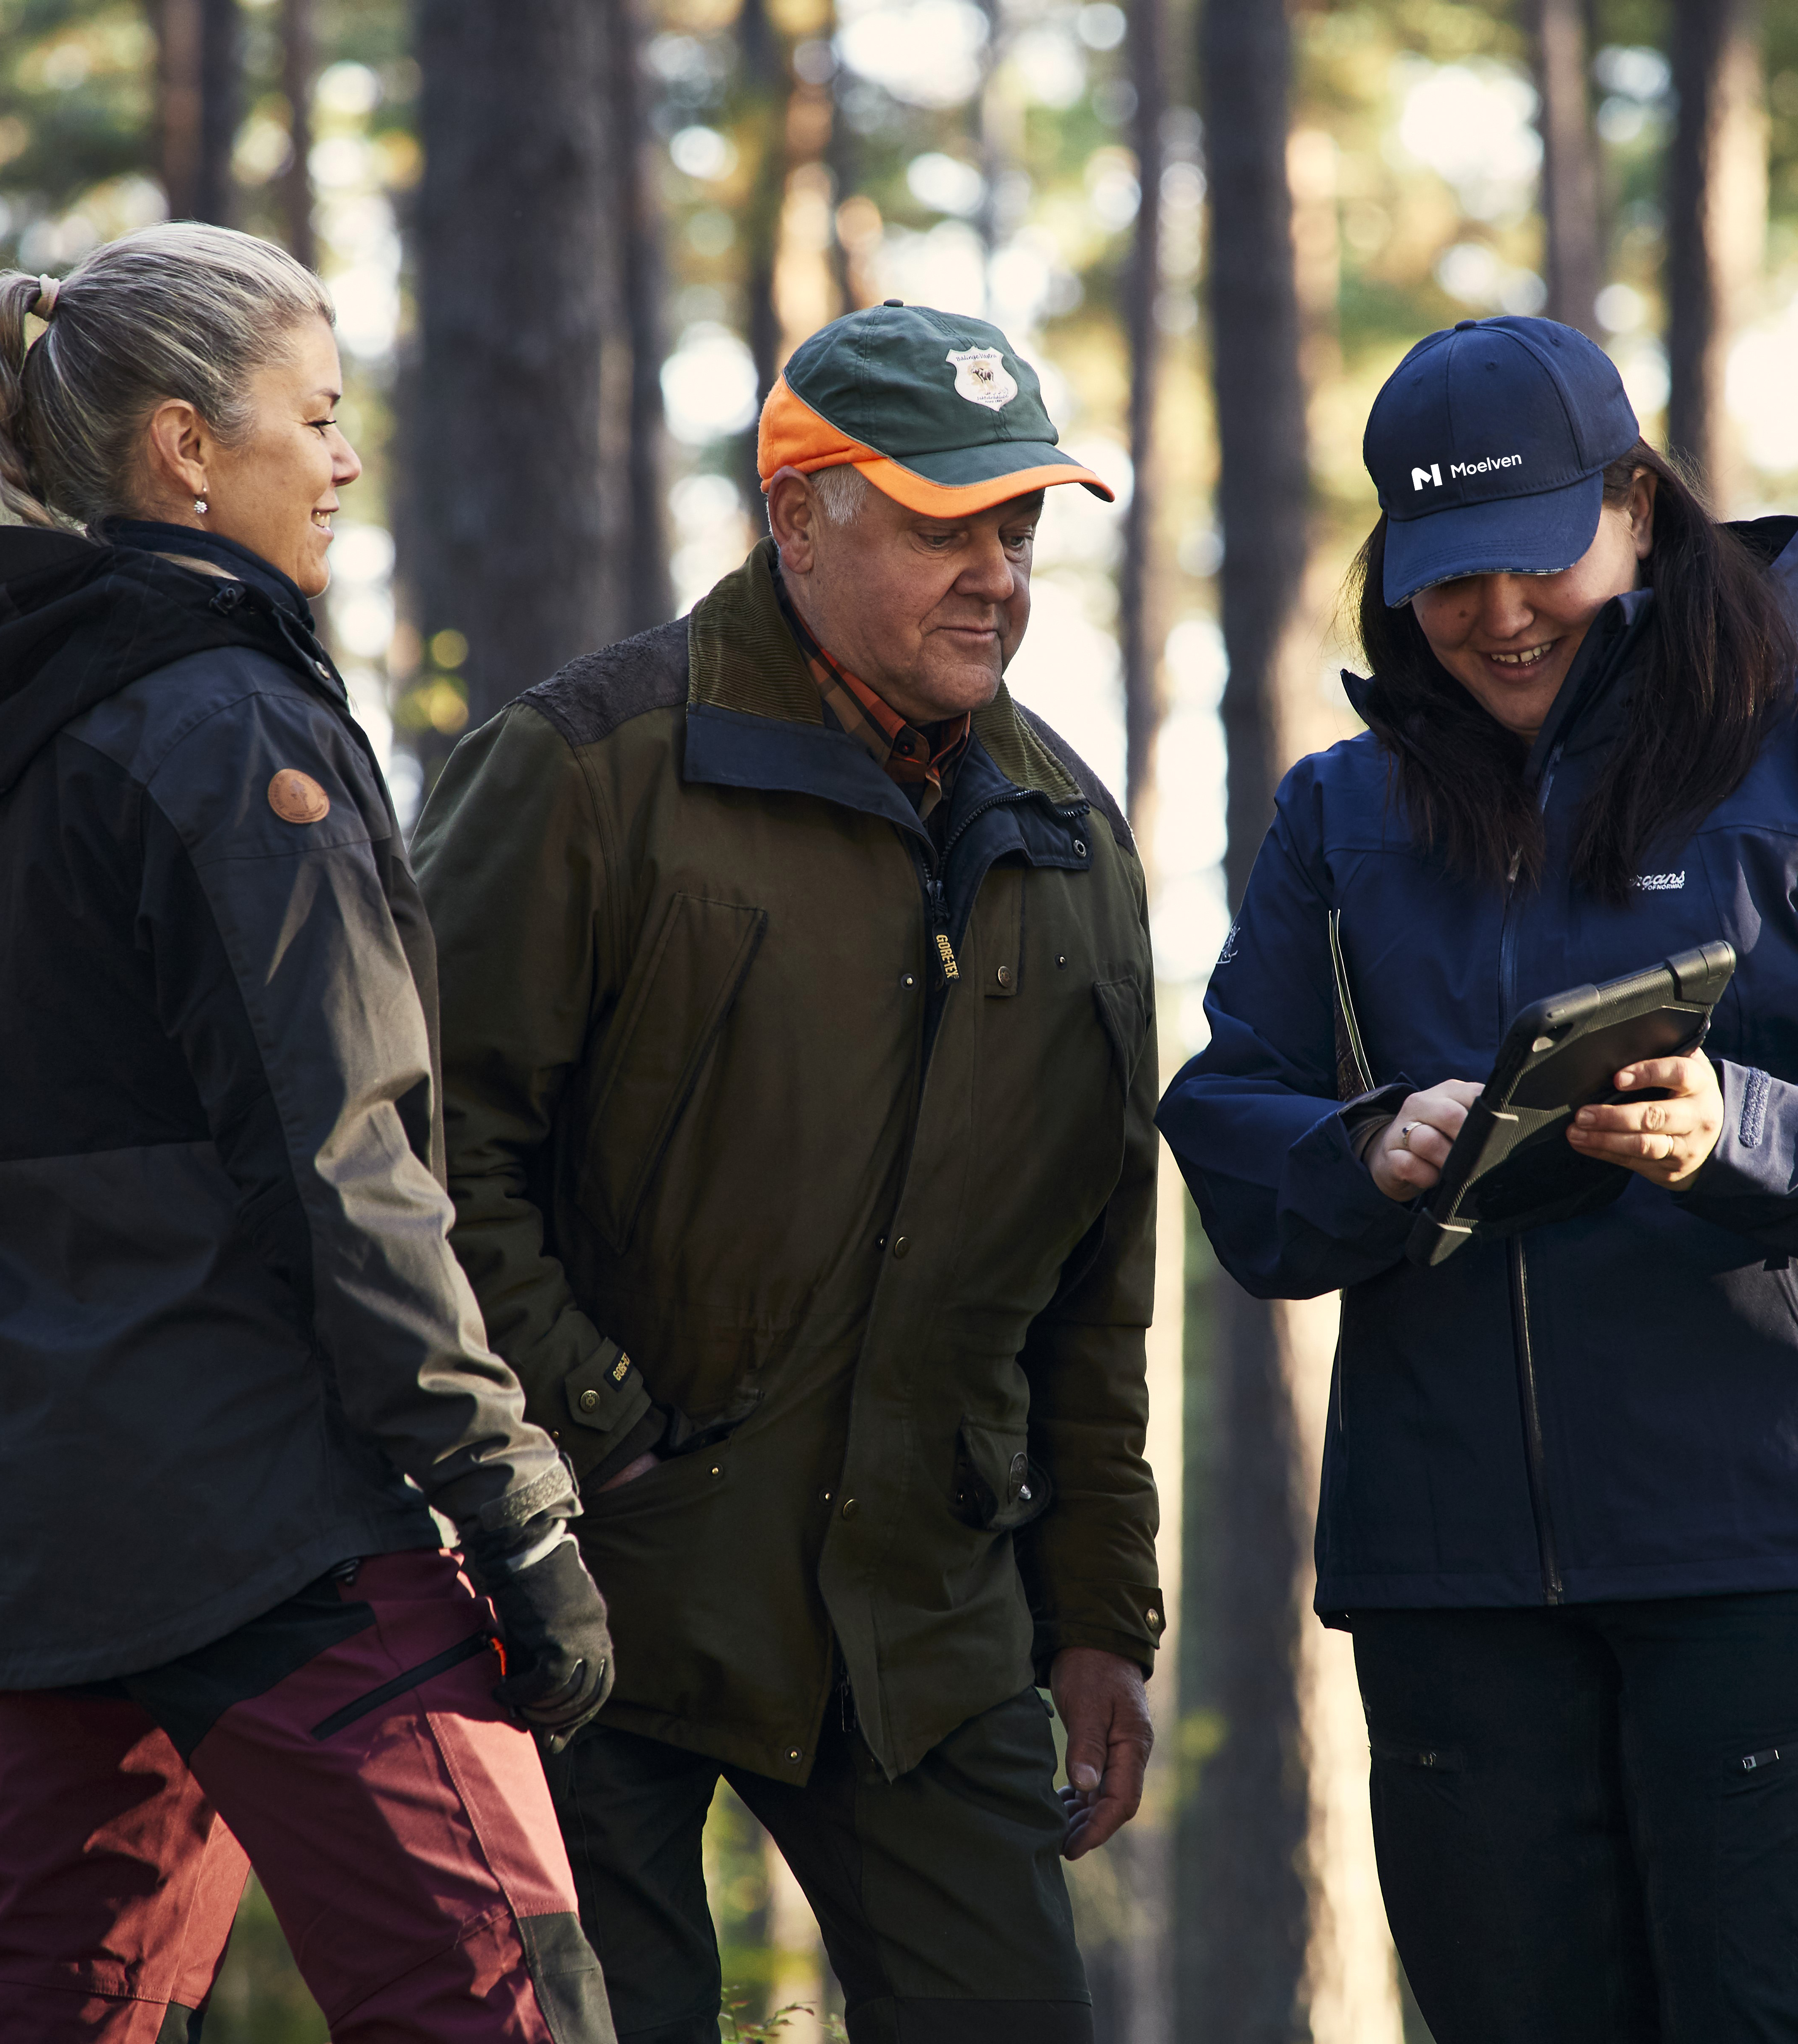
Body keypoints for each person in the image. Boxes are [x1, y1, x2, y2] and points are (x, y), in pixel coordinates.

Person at [1157, 316, 1798, 2041]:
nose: (1497, 617)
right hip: (1458, 1596)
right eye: (1447, 579)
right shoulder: (1339, 817)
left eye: (1533, 561)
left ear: (1639, 512)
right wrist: (1367, 1148)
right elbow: (1233, 1119)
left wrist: (1752, 1134)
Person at [0, 222, 620, 2044]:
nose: (348, 458)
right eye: (318, 414)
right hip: (289, 1519)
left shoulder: (13, 739)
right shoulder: (226, 728)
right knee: (507, 2006)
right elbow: (345, 1168)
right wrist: (512, 1502)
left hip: (64, 1529)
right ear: (186, 450)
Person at [410, 301, 1162, 2044]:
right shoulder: (585, 772)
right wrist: (606, 1429)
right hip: (596, 1592)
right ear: (798, 517)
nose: (999, 574)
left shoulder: (1074, 838)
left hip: (930, 1614)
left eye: (1021, 526)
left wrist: (1101, 1611)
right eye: (942, 523)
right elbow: (427, 1157)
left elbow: (1094, 1261)